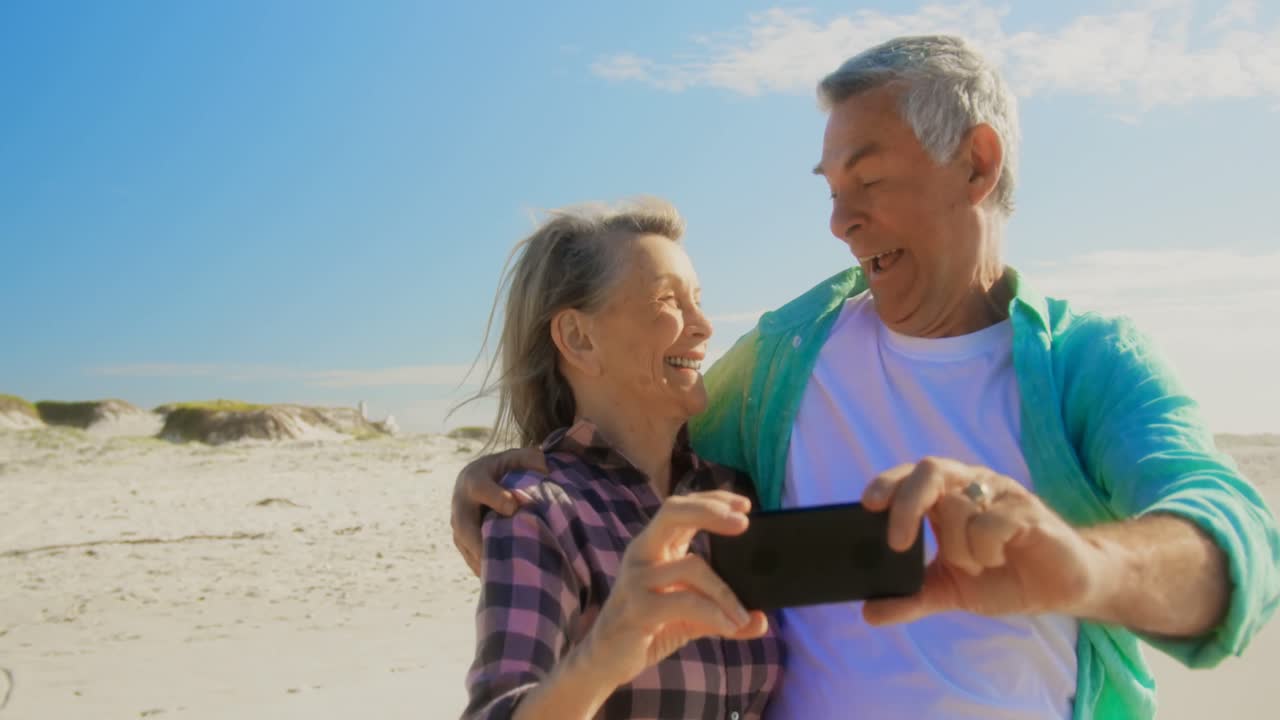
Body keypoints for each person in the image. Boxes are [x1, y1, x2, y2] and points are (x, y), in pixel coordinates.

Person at [451, 35, 1280, 719]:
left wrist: (1086, 567)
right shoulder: (784, 359)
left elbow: (1238, 544)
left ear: (977, 165)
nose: (840, 222)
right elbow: (631, 442)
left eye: (870, 181)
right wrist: (505, 478)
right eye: (833, 190)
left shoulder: (1092, 363)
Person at [458, 199, 782, 720]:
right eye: (668, 301)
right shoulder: (537, 513)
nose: (702, 326)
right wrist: (605, 655)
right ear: (579, 339)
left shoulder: (735, 493)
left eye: (697, 300)